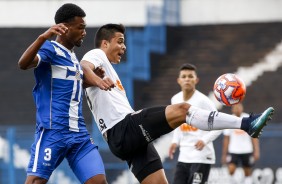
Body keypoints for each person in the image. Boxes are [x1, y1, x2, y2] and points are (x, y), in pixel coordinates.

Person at [80, 23, 274, 184]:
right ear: (105, 43)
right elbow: (83, 67)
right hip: (123, 129)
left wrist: (95, 81)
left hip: (124, 139)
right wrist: (98, 81)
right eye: (120, 42)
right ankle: (247, 124)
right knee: (183, 110)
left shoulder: (107, 70)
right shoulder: (97, 54)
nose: (124, 47)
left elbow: (86, 79)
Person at [18, 3, 108, 184]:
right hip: (53, 132)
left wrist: (92, 80)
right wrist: (42, 37)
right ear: (64, 29)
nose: (84, 32)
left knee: (98, 182)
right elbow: (24, 63)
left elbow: (71, 84)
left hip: (79, 134)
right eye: (80, 28)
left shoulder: (72, 57)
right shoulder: (50, 49)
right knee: (35, 181)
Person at [168, 63, 222, 184]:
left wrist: (205, 140)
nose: (187, 79)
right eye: (184, 76)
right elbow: (177, 122)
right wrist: (175, 141)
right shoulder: (175, 99)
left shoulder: (203, 101)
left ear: (196, 80)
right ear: (179, 80)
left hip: (201, 156)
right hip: (184, 156)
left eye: (190, 76)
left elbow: (219, 124)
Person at [221, 103, 260, 184]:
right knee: (231, 170)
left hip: (246, 150)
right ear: (232, 109)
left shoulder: (248, 119)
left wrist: (256, 150)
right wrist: (224, 154)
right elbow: (226, 138)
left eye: (239, 107)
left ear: (242, 108)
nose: (237, 109)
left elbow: (254, 136)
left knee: (247, 172)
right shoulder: (229, 119)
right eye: (235, 107)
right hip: (234, 150)